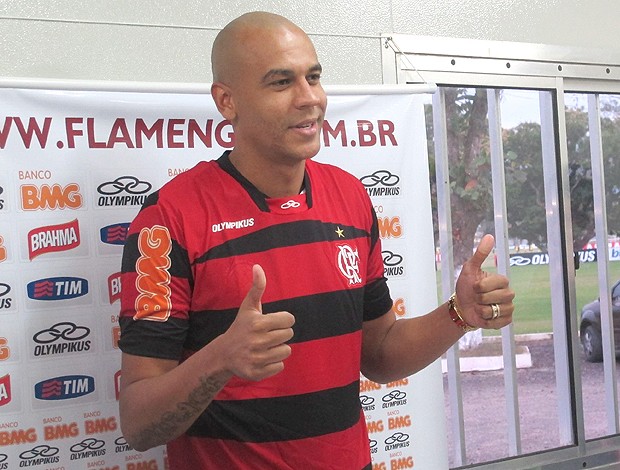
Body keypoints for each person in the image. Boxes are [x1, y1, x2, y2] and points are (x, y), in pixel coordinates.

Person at [118, 11, 515, 470]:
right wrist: (220, 359)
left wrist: (458, 315)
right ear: (227, 101)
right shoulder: (168, 219)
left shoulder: (349, 197)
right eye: (281, 82)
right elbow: (139, 423)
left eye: (314, 77)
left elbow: (381, 353)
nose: (310, 99)